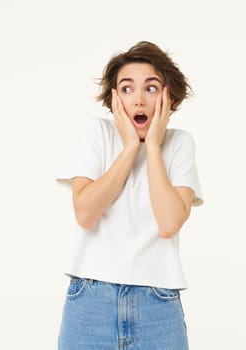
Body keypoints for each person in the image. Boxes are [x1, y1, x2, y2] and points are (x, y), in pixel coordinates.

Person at [56, 41, 203, 350]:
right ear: (113, 98)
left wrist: (151, 147)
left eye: (151, 88)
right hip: (91, 303)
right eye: (126, 89)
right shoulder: (98, 134)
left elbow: (169, 223)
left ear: (168, 96)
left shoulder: (178, 145)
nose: (138, 99)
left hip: (158, 306)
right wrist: (129, 149)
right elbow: (85, 213)